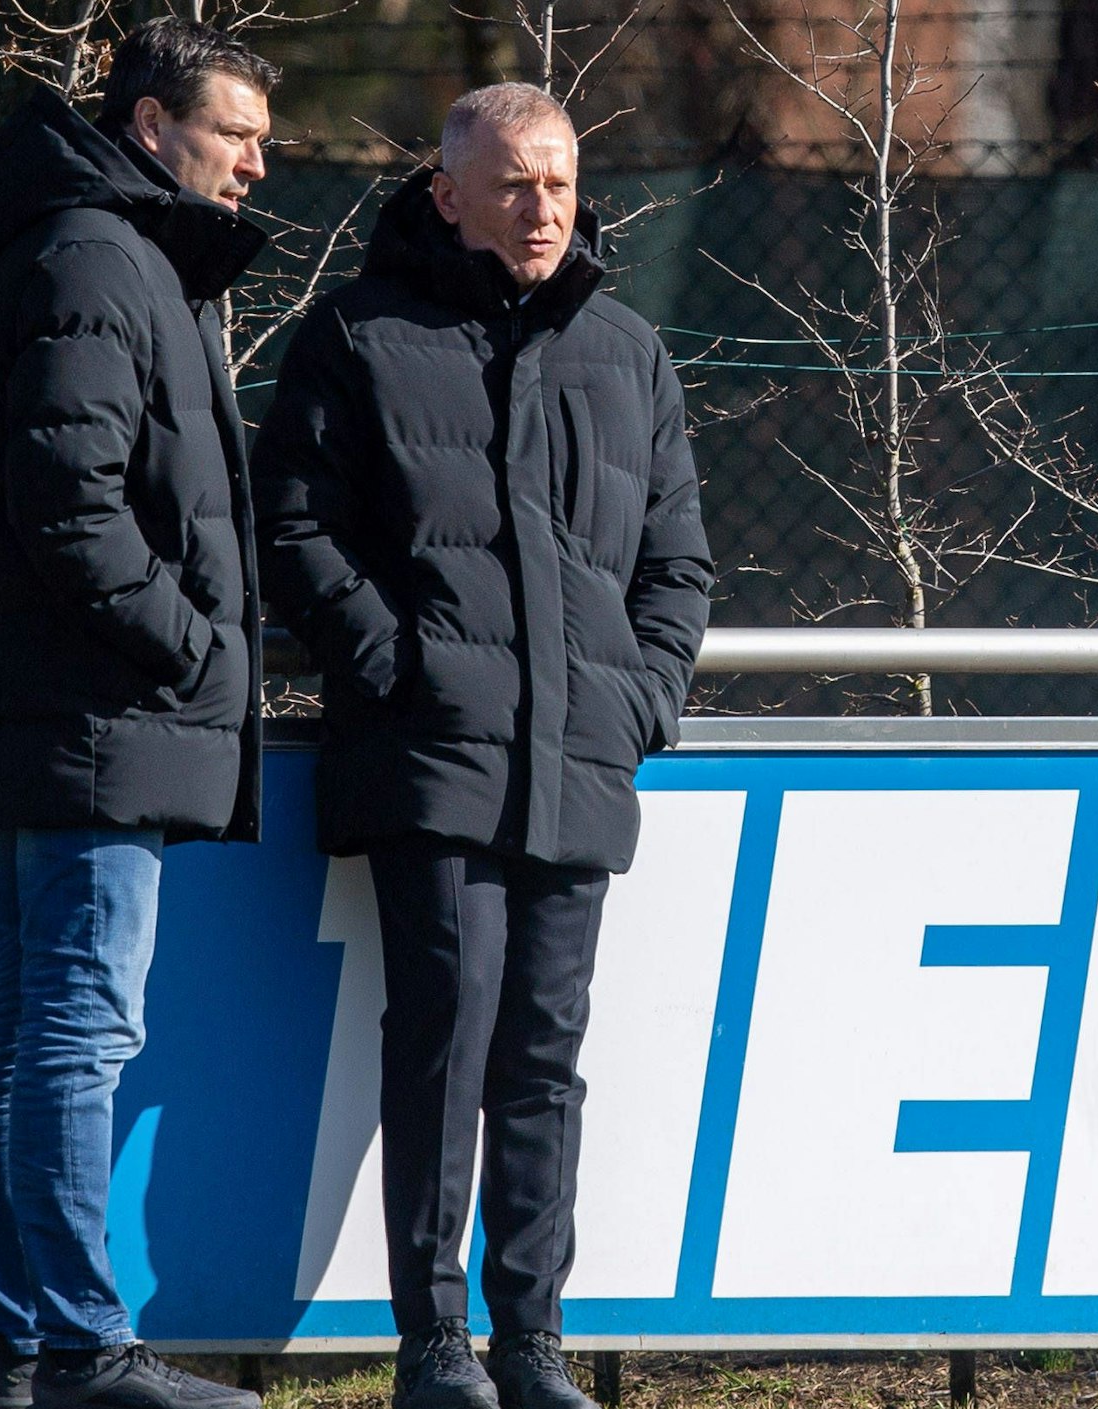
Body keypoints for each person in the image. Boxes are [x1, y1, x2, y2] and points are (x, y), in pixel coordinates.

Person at [253, 82, 713, 1409]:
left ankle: (533, 1342)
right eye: (514, 183)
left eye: (561, 180)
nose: (544, 206)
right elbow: (292, 523)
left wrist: (640, 700)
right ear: (445, 194)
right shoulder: (357, 335)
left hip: (578, 760)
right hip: (430, 756)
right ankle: (433, 1344)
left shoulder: (629, 351)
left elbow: (678, 559)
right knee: (443, 1039)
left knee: (543, 1057)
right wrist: (395, 667)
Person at [0, 19, 276, 1409]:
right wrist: (191, 646)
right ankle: (79, 1347)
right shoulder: (97, 258)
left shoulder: (103, 253)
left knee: (26, 1023)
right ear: (149, 127)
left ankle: (26, 1352)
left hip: (70, 709)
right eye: (232, 132)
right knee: (74, 1026)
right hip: (96, 716)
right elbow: (70, 503)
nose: (259, 160)